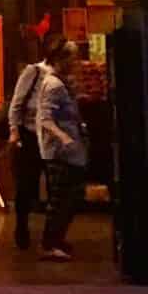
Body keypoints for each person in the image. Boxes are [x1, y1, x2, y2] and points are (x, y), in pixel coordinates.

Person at [32, 39, 89, 262]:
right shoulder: (53, 85)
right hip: (59, 152)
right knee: (59, 200)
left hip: (69, 150)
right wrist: (64, 137)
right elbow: (45, 118)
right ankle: (48, 243)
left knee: (69, 197)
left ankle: (57, 239)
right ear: (60, 59)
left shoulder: (60, 82)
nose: (75, 62)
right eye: (71, 58)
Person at [3, 43, 49, 251]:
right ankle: (21, 227)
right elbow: (17, 103)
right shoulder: (34, 72)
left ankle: (52, 236)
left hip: (52, 137)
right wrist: (14, 130)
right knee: (26, 184)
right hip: (29, 134)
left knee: (55, 186)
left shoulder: (64, 78)